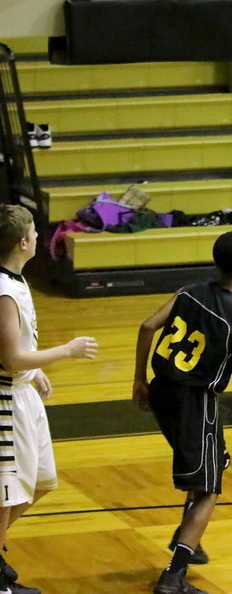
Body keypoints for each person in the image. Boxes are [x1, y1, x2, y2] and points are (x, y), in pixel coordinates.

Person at [133, 230, 232, 594]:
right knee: (208, 490)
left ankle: (190, 539)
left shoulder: (190, 291)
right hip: (196, 403)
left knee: (217, 460)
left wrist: (139, 379)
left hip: (162, 390)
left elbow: (147, 325)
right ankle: (173, 576)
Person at [0, 204, 99, 594]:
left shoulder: (15, 280)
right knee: (7, 492)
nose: (39, 236)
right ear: (23, 243)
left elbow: (16, 350)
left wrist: (35, 367)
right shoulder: (4, 291)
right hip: (5, 402)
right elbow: (11, 359)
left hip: (22, 393)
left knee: (42, 481)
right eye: (34, 232)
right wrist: (65, 351)